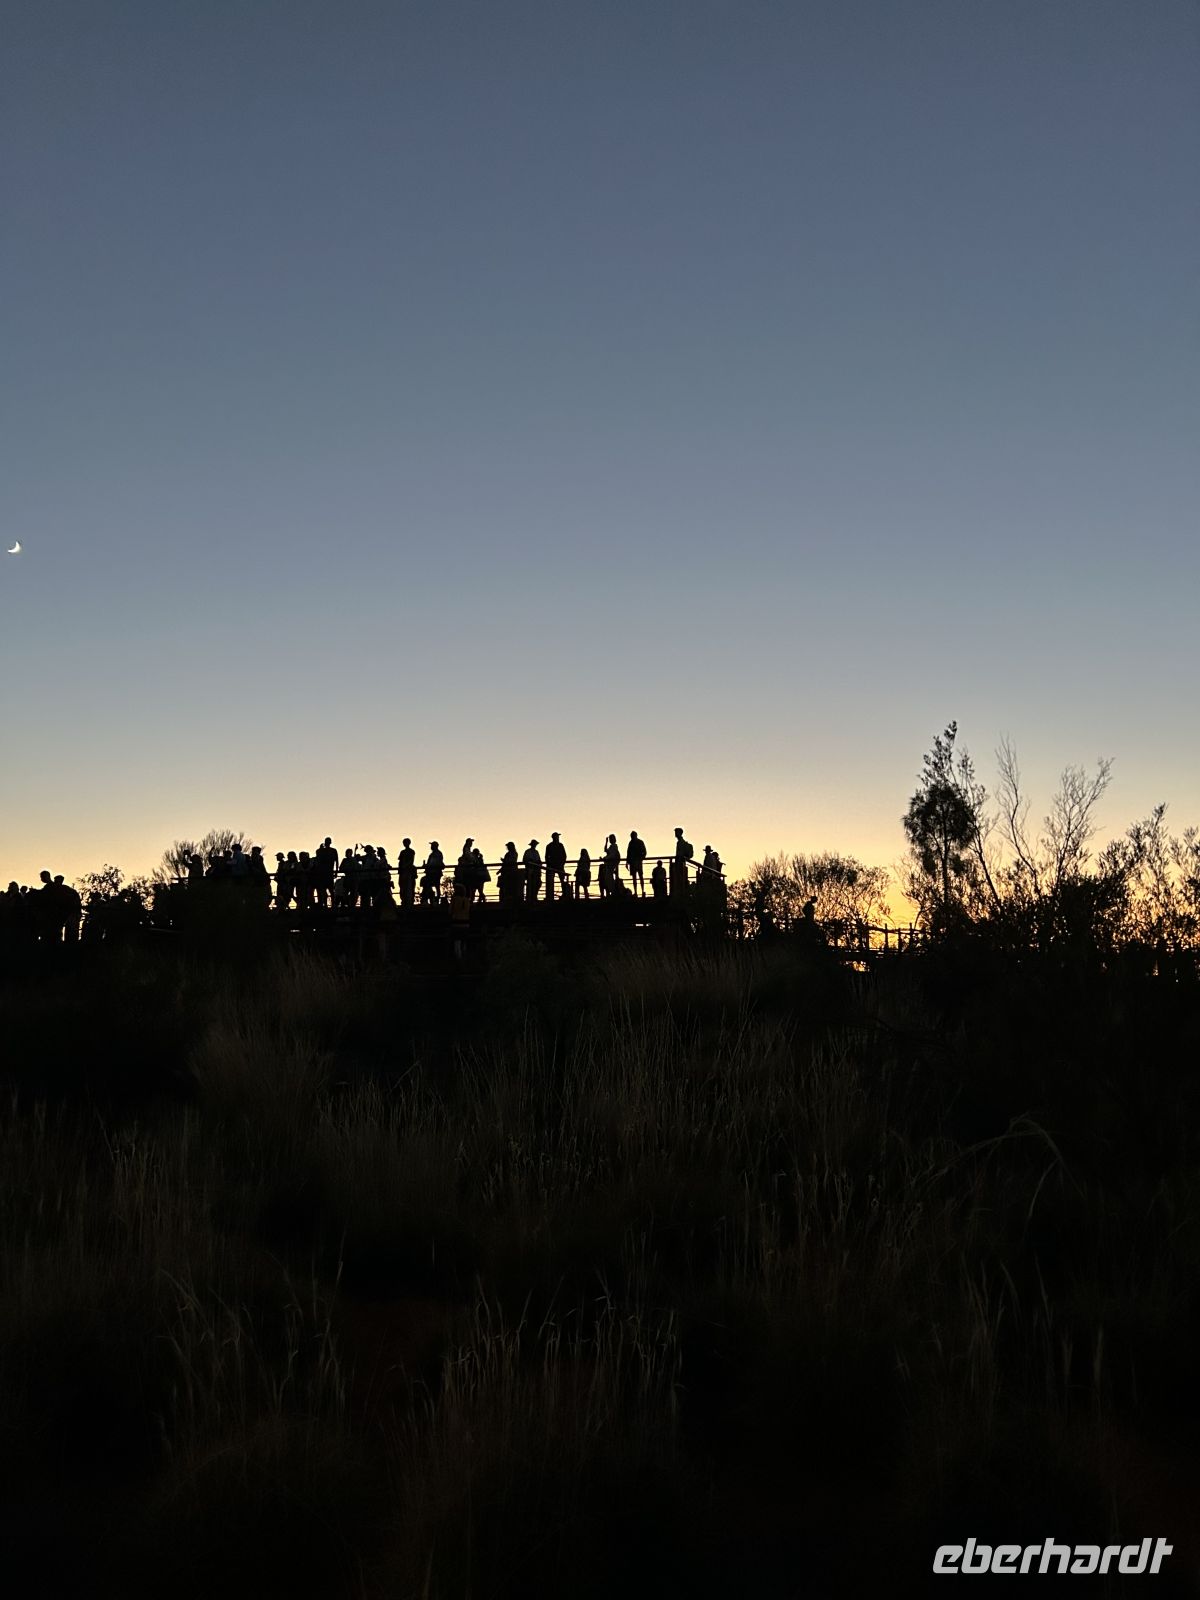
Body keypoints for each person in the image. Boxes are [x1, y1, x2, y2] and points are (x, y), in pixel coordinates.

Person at [313, 837, 338, 908]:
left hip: (328, 873)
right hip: (323, 873)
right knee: (325, 890)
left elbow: (336, 861)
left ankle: (331, 905)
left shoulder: (332, 851)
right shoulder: (322, 851)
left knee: (330, 890)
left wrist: (336, 871)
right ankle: (327, 905)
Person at [670, 826, 693, 898]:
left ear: (680, 833)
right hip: (680, 863)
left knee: (679, 879)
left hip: (680, 863)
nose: (675, 834)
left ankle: (679, 892)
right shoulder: (680, 842)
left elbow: (679, 854)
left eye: (676, 832)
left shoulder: (680, 842)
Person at [545, 832, 567, 901]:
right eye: (557, 836)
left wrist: (562, 863)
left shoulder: (557, 845)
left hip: (556, 865)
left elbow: (564, 855)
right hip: (555, 865)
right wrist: (549, 864)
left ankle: (563, 894)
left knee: (561, 880)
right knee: (553, 880)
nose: (558, 838)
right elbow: (547, 856)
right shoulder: (553, 846)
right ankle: (551, 895)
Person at [397, 838, 417, 908]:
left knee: (409, 886)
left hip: (408, 871)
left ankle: (409, 901)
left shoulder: (411, 851)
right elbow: (400, 861)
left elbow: (411, 861)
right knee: (402, 886)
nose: (405, 844)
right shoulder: (402, 852)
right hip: (403, 871)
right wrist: (401, 869)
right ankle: (404, 900)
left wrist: (405, 866)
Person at [626, 831, 647, 896]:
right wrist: (627, 862)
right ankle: (638, 891)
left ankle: (640, 891)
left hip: (635, 862)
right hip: (634, 862)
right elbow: (628, 853)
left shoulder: (636, 842)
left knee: (638, 877)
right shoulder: (634, 842)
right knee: (637, 877)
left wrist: (641, 858)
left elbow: (644, 852)